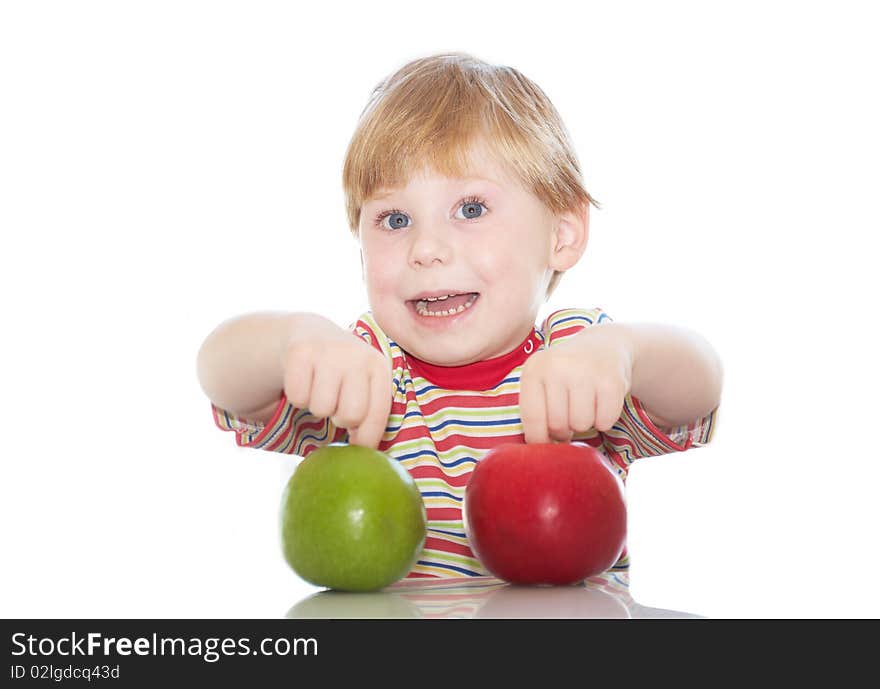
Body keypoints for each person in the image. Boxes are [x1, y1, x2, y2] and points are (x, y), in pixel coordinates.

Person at [196, 52, 723, 578]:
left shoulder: (575, 359)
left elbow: (698, 387)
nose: (426, 248)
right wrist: (290, 341)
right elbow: (224, 378)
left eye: (471, 209)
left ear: (561, 236)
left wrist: (624, 353)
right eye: (395, 218)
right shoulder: (366, 372)